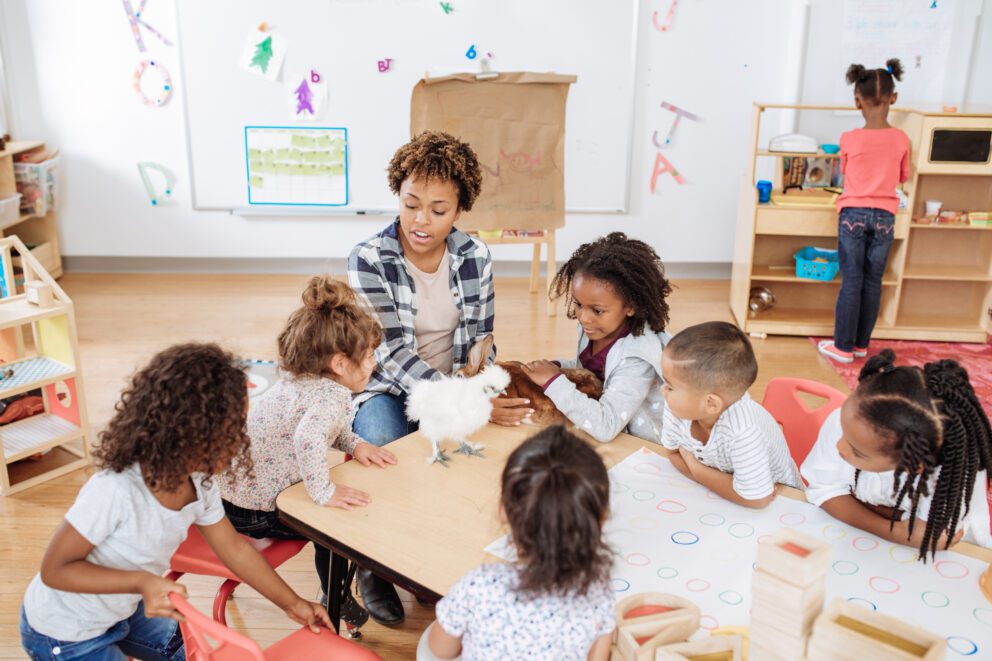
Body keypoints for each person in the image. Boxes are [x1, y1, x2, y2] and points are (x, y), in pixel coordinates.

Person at [20, 343, 330, 661]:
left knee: (196, 654)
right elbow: (55, 569)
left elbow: (235, 551)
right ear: (188, 432)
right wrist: (143, 582)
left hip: (124, 606)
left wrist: (293, 604)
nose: (242, 439)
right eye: (231, 429)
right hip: (66, 631)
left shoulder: (200, 480)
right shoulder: (115, 490)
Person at [348, 130, 530, 623]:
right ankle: (373, 566)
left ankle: (424, 556)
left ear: (459, 210)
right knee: (384, 446)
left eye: (437, 209)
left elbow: (482, 341)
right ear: (398, 198)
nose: (421, 221)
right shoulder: (369, 259)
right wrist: (463, 402)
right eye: (410, 205)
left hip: (451, 386)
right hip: (386, 387)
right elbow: (388, 355)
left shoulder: (475, 257)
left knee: (458, 465)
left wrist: (482, 388)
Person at [220, 276, 396, 627]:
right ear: (340, 364)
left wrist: (355, 443)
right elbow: (308, 438)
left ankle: (338, 590)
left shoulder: (303, 379)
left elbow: (322, 428)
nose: (375, 363)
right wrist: (323, 492)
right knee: (334, 531)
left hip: (232, 495)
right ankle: (336, 597)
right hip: (254, 509)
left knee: (333, 516)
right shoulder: (330, 396)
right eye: (370, 355)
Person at [421, 426, 615, 661]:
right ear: (602, 519)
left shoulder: (478, 587)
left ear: (503, 510)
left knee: (426, 644)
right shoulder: (599, 589)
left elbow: (440, 650)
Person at [802, 349, 992, 559]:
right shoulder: (850, 421)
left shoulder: (951, 471)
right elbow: (824, 492)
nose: (840, 447)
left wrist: (857, 504)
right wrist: (898, 526)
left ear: (912, 465)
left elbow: (933, 538)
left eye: (858, 452)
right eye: (844, 434)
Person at [522, 233, 672, 443]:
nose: (583, 317)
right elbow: (592, 368)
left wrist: (553, 381)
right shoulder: (596, 329)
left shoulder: (636, 359)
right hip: (609, 429)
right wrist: (558, 366)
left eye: (597, 310)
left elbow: (606, 426)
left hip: (641, 445)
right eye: (578, 304)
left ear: (630, 306)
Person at [818, 59, 910, 364]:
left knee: (852, 280)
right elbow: (903, 176)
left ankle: (842, 347)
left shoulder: (849, 138)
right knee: (873, 281)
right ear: (893, 98)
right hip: (885, 216)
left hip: (853, 214)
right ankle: (860, 345)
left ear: (857, 100)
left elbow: (845, 172)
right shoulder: (901, 139)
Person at [660, 321, 801, 508]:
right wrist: (722, 483)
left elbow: (757, 500)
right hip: (725, 503)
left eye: (670, 386)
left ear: (710, 403)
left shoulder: (744, 431)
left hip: (786, 502)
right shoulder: (677, 409)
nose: (663, 390)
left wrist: (695, 468)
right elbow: (673, 454)